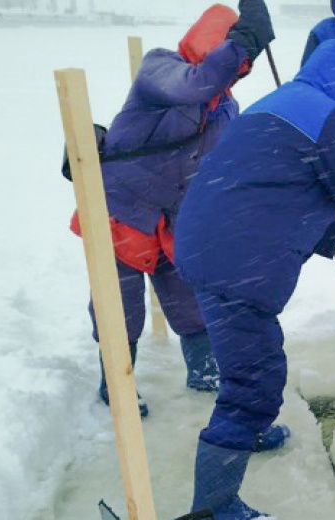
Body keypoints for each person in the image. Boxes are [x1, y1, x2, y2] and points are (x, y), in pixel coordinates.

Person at [174, 38, 335, 520]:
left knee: (247, 362)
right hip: (235, 262)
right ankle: (215, 509)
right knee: (254, 381)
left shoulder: (282, 103)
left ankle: (245, 432)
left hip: (211, 246)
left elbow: (279, 191)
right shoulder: (330, 116)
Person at [68, 1, 274, 417]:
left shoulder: (224, 106)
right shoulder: (161, 69)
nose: (236, 71)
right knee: (119, 308)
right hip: (123, 209)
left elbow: (225, 163)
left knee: (189, 302)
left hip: (173, 218)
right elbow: (196, 84)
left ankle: (204, 372)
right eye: (233, 56)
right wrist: (241, 43)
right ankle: (116, 386)